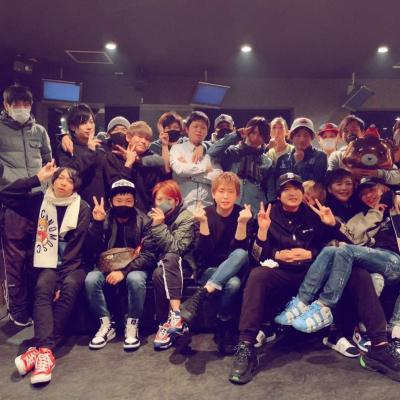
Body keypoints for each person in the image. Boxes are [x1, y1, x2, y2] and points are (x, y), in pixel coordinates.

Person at [228, 173, 331, 384]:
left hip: (309, 274)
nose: (292, 193)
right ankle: (246, 345)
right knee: (257, 275)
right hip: (280, 272)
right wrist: (271, 248)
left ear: (302, 193)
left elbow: (329, 249)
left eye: (296, 188)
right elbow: (255, 255)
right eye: (286, 189)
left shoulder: (312, 214)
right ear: (278, 195)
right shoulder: (268, 212)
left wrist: (311, 253)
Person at [1, 162, 90, 385]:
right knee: (42, 287)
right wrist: (36, 179)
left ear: (75, 186)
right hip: (45, 261)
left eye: (69, 180)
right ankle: (46, 352)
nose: (63, 183)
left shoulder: (82, 207)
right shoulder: (40, 201)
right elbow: (5, 194)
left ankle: (39, 349)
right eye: (59, 178)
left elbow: (75, 248)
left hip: (73, 264)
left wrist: (59, 282)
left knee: (69, 285)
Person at [179, 172, 252, 354]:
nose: (225, 196)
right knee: (233, 283)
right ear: (213, 193)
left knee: (240, 254)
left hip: (235, 268)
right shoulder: (205, 214)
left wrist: (242, 223)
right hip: (210, 269)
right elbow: (204, 255)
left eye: (230, 192)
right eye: (221, 191)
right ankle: (223, 325)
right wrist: (203, 223)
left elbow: (239, 251)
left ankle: (202, 294)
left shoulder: (243, 214)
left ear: (237, 195)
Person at [0, 84, 52, 326]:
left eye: (25, 104)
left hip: (38, 201)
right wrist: (30, 181)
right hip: (12, 203)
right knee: (14, 259)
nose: (21, 108)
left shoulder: (39, 131)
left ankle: (34, 305)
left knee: (37, 255)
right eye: (16, 104)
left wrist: (46, 185)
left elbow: (48, 161)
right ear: (6, 105)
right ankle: (18, 310)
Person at [84, 179, 156, 351]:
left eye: (128, 201)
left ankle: (132, 324)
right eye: (119, 201)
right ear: (111, 202)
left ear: (135, 202)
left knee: (135, 279)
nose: (124, 204)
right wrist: (97, 224)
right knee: (91, 279)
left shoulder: (145, 221)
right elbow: (90, 249)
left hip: (136, 267)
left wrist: (124, 271)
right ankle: (106, 324)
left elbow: (149, 255)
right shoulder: (104, 218)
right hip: (106, 266)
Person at [150, 180, 196, 350]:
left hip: (184, 263)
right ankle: (169, 323)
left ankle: (174, 316)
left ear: (177, 200)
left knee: (169, 258)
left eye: (168, 199)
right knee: (158, 272)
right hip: (159, 263)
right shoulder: (151, 216)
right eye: (159, 199)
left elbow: (176, 248)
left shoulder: (186, 217)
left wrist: (159, 226)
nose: (163, 203)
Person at [207, 116, 274, 213]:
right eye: (253, 132)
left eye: (260, 135)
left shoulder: (267, 161)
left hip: (254, 211)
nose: (255, 138)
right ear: (247, 131)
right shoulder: (232, 152)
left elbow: (270, 192)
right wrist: (237, 134)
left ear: (265, 138)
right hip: (230, 207)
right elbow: (212, 152)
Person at [104, 121, 165, 213]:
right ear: (128, 137)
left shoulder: (151, 163)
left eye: (147, 139)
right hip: (119, 213)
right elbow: (115, 189)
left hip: (145, 215)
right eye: (140, 137)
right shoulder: (113, 157)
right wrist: (128, 164)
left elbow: (155, 194)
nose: (143, 141)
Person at [57, 104, 107, 209]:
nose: (89, 127)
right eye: (83, 123)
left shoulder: (100, 147)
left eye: (91, 122)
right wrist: (90, 151)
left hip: (101, 206)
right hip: (76, 206)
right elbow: (69, 173)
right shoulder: (67, 146)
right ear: (72, 127)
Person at [170, 111, 222, 212]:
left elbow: (218, 178)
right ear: (187, 129)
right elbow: (180, 170)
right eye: (195, 126)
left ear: (207, 132)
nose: (199, 130)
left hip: (208, 209)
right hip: (184, 208)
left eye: (203, 128)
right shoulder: (177, 148)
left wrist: (189, 173)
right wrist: (205, 168)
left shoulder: (211, 153)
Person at [328, 115, 400, 185]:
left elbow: (397, 177)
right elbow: (328, 177)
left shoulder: (377, 152)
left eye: (354, 130)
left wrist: (378, 173)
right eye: (345, 131)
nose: (350, 133)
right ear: (341, 135)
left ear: (362, 132)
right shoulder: (337, 156)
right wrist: (347, 172)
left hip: (372, 192)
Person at [275, 118, 327, 192]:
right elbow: (277, 185)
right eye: (298, 135)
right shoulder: (282, 159)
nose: (302, 139)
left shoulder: (320, 156)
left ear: (311, 137)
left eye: (306, 135)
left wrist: (300, 163)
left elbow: (315, 185)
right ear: (291, 137)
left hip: (309, 198)